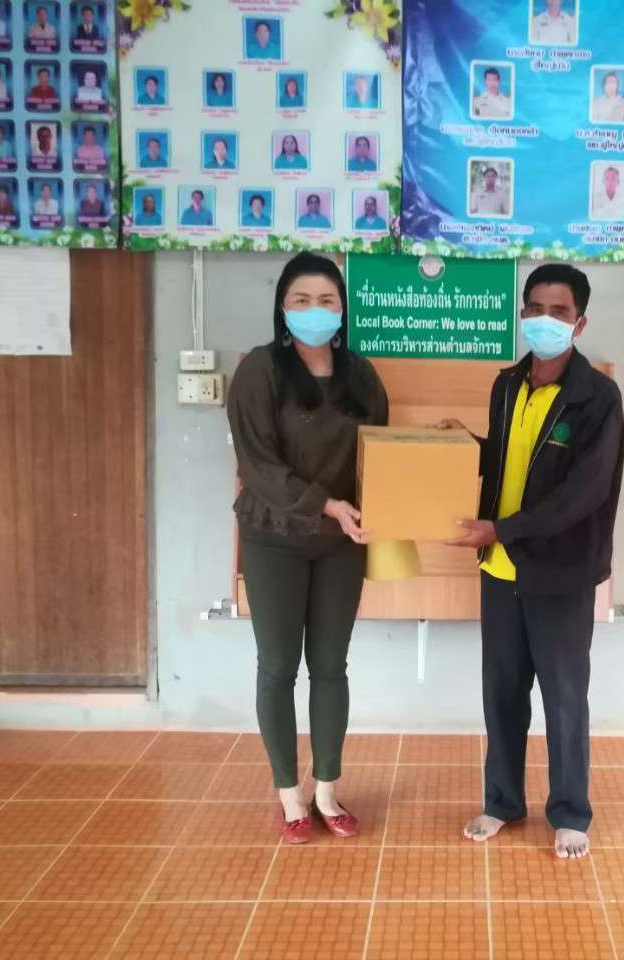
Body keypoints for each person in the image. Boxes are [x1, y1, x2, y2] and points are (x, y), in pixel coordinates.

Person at [446, 263, 624, 861]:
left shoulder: (597, 397)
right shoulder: (506, 385)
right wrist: (462, 446)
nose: (545, 320)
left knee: (564, 696)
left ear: (580, 323)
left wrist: (503, 528)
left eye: (559, 312)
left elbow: (584, 492)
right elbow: (507, 462)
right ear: (522, 314)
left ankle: (571, 813)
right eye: (536, 309)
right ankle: (502, 802)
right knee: (501, 692)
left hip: (560, 572)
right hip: (500, 568)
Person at [227, 252, 389, 845]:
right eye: (301, 300)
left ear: (342, 309)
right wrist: (327, 504)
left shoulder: (361, 376)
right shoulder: (259, 371)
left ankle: (326, 790)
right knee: (277, 667)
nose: (314, 310)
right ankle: (288, 795)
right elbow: (258, 466)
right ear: (282, 308)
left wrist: (386, 503)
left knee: (330, 666)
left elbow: (381, 452)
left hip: (341, 543)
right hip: (274, 538)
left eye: (326, 300)